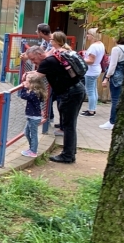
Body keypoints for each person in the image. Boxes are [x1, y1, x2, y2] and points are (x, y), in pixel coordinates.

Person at [23, 32, 84, 164]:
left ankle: (68, 156)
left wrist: (26, 78)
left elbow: (36, 76)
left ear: (40, 54)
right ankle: (70, 152)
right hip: (76, 90)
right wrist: (30, 73)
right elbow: (40, 73)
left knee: (68, 125)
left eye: (34, 59)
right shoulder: (52, 57)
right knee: (70, 124)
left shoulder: (47, 62)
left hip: (70, 93)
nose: (33, 62)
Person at [99, 37, 124, 130]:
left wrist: (106, 77)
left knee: (115, 100)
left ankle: (112, 121)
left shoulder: (116, 49)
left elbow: (113, 65)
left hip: (116, 77)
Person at [18, 72, 47, 158]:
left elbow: (23, 96)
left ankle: (33, 151)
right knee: (26, 132)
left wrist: (24, 87)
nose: (25, 83)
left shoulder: (33, 93)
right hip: (32, 116)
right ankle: (32, 148)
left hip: (34, 117)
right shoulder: (36, 92)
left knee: (33, 134)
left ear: (32, 84)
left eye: (27, 82)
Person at [81, 28, 105, 117]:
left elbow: (91, 61)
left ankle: (91, 111)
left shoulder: (94, 46)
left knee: (90, 91)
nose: (87, 36)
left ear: (93, 36)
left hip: (91, 71)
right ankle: (93, 108)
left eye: (88, 34)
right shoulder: (101, 44)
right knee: (94, 90)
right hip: (96, 69)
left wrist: (81, 59)